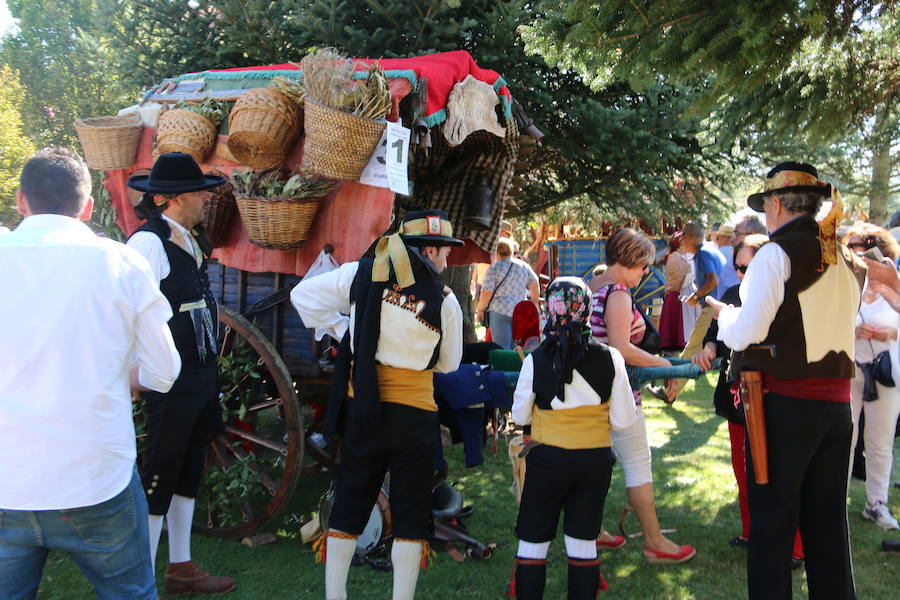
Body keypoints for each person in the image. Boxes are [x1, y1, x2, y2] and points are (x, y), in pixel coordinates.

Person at [0, 147, 181, 599]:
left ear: (22, 201)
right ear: (87, 208)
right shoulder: (120, 262)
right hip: (95, 478)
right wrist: (128, 378)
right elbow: (163, 371)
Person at [707, 162, 862, 599]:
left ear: (776, 204)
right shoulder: (844, 256)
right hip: (836, 409)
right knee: (828, 524)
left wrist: (726, 317)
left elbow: (749, 330)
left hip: (785, 405)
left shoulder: (776, 253)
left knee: (772, 524)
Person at [291, 209, 463, 600]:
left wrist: (346, 332)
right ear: (431, 251)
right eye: (446, 252)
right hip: (415, 416)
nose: (448, 260)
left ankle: (336, 596)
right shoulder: (446, 299)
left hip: (364, 407)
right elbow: (449, 364)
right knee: (410, 512)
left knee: (351, 499)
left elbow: (303, 297)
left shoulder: (359, 274)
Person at [126, 153, 235, 596]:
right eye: (197, 194)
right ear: (168, 198)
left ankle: (181, 566)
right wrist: (134, 373)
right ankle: (143, 578)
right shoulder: (147, 243)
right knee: (162, 468)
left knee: (189, 466)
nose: (204, 201)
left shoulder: (187, 239)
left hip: (199, 375)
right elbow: (131, 310)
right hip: (170, 378)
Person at [508, 277, 636, 599]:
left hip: (548, 458)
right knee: (582, 541)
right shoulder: (611, 358)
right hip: (594, 460)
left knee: (534, 542)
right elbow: (622, 420)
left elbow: (520, 417)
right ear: (587, 306)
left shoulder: (535, 360)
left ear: (549, 308)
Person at [692, 234, 806, 569]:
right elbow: (715, 339)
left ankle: (794, 548)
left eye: (747, 267)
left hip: (777, 396)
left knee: (781, 476)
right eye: (737, 267)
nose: (740, 274)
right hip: (737, 395)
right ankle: (750, 533)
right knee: (744, 471)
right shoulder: (730, 294)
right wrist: (710, 349)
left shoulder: (783, 298)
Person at [588, 228, 696, 564]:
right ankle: (654, 542)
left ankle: (591, 533)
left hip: (584, 396)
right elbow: (620, 347)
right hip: (616, 394)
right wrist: (665, 364)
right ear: (630, 259)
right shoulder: (616, 294)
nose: (646, 272)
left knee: (592, 466)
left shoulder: (585, 288)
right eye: (643, 266)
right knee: (637, 464)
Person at [842, 223, 900, 530]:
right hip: (850, 370)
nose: (855, 253)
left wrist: (889, 331)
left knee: (880, 441)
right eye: (850, 247)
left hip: (886, 372)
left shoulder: (894, 285)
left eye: (861, 247)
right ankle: (834, 501)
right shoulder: (845, 286)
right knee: (843, 438)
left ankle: (876, 503)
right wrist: (853, 330)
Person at [476, 236, 540, 350]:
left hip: (499, 312)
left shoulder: (494, 268)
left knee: (503, 348)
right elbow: (535, 282)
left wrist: (480, 309)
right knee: (521, 347)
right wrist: (534, 301)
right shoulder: (524, 266)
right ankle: (518, 367)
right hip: (520, 311)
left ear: (496, 251)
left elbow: (486, 291)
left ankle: (505, 367)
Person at [659, 232, 691, 352]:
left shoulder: (682, 256)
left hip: (683, 296)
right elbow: (679, 280)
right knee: (675, 331)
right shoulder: (675, 258)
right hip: (677, 296)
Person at [713, 225, 739, 298]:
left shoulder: (716, 254)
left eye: (718, 238)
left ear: (726, 238)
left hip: (722, 297)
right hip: (739, 294)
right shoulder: (739, 253)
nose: (717, 241)